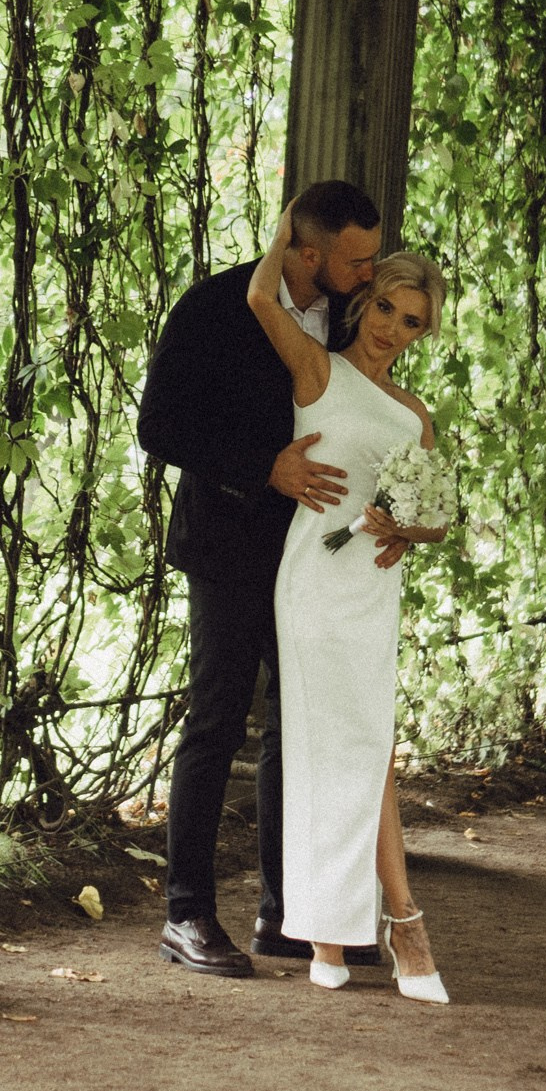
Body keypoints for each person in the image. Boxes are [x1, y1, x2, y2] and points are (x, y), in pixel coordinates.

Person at [137, 180, 383, 977]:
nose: (369, 274)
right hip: (228, 543)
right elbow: (159, 424)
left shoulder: (350, 314)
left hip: (316, 551)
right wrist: (259, 468)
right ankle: (186, 913)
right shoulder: (213, 305)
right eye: (356, 259)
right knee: (215, 720)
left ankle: (288, 913)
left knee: (298, 728)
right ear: (308, 252)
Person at [246, 205, 453, 1003]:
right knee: (342, 748)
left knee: (364, 747)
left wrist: (404, 527)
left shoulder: (413, 416)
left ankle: (331, 941)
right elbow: (265, 298)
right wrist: (292, 224)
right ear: (367, 300)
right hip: (312, 583)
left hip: (372, 584)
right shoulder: (318, 372)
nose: (395, 331)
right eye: (390, 310)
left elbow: (432, 516)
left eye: (413, 324)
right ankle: (404, 926)